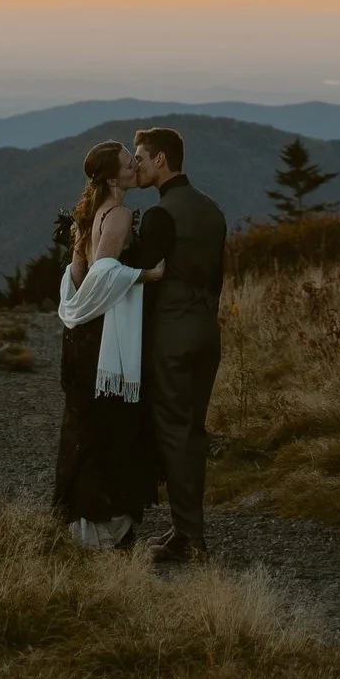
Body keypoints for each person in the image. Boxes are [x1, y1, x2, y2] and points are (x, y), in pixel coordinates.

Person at [122, 124, 227, 566]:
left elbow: (141, 272)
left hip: (173, 333)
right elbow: (217, 278)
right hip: (207, 330)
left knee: (175, 433)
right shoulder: (211, 209)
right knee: (193, 432)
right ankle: (185, 529)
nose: (137, 165)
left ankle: (191, 538)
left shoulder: (164, 215)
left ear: (161, 159)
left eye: (141, 157)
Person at [52, 140, 160, 547]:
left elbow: (77, 275)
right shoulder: (118, 215)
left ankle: (81, 522)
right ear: (114, 177)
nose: (136, 166)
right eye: (129, 163)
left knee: (84, 425)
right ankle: (100, 528)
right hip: (101, 339)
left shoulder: (88, 215)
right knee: (109, 428)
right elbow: (101, 276)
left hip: (79, 336)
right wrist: (145, 276)